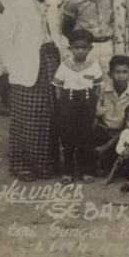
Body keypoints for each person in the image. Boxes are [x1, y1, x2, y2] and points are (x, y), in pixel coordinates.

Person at [0, 0, 63, 180]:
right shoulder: (17, 6)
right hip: (25, 66)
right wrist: (10, 68)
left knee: (49, 114)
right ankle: (22, 164)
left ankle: (45, 164)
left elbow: (55, 32)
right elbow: (4, 39)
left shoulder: (51, 4)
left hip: (50, 60)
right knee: (27, 116)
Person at [51, 29, 104, 183]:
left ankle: (86, 171)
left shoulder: (93, 66)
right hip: (68, 104)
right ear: (70, 48)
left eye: (84, 47)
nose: (80, 51)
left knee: (85, 139)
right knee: (68, 139)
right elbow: (58, 87)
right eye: (76, 47)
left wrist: (95, 105)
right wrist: (62, 105)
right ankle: (68, 172)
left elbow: (98, 87)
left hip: (87, 104)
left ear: (90, 48)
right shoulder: (65, 65)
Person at [62, 0, 121, 73]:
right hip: (86, 49)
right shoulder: (74, 0)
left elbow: (113, 22)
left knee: (107, 83)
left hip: (107, 47)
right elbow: (66, 28)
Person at [94, 55, 129, 172]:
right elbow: (97, 108)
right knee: (93, 129)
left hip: (124, 130)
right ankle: (100, 160)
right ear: (110, 74)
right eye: (117, 72)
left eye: (124, 72)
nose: (121, 76)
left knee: (128, 137)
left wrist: (108, 145)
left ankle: (106, 152)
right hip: (104, 128)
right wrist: (98, 115)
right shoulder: (104, 87)